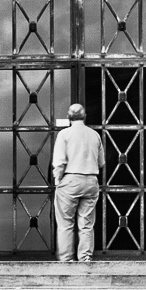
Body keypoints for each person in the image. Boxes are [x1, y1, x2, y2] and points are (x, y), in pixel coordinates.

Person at [52, 103, 104, 263]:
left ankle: (67, 260)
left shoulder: (64, 134)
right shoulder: (94, 135)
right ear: (84, 116)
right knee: (86, 223)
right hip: (91, 181)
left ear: (69, 116)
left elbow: (60, 162)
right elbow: (101, 162)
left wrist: (57, 179)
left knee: (66, 223)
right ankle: (85, 258)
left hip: (71, 180)